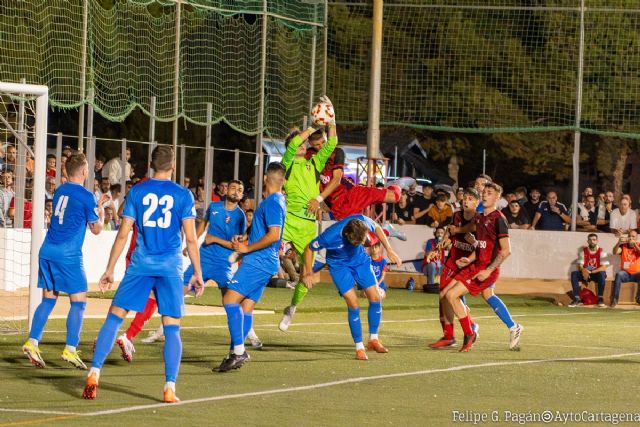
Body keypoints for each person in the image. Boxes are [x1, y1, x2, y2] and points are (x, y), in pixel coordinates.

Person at [83, 146, 205, 403]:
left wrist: (109, 268)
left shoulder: (137, 191)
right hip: (170, 267)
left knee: (114, 318)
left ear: (150, 165)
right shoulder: (183, 195)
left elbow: (123, 233)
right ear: (173, 166)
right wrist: (197, 272)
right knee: (172, 328)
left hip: (141, 265)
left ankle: (94, 372)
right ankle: (169, 386)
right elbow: (191, 240)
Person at [21, 153, 108, 369]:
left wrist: (96, 204)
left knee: (49, 300)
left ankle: (32, 342)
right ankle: (70, 349)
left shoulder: (60, 191)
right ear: (84, 171)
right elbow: (96, 229)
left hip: (47, 250)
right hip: (68, 255)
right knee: (79, 302)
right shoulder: (86, 195)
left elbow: (76, 211)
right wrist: (102, 211)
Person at [214, 162, 286, 372]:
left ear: (265, 179)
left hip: (258, 261)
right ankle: (234, 352)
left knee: (229, 299)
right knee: (246, 307)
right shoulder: (276, 201)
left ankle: (238, 352)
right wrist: (246, 237)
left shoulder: (272, 202)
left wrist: (246, 248)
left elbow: (274, 234)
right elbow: (265, 230)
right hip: (265, 262)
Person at [302, 215, 401, 360]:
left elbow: (378, 227)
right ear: (347, 234)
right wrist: (308, 272)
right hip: (339, 266)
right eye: (355, 242)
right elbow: (309, 248)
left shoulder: (361, 220)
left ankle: (373, 339)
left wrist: (389, 249)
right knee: (353, 304)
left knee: (375, 297)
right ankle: (359, 347)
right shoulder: (329, 236)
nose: (357, 244)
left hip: (360, 261)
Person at [278, 97, 338, 332]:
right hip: (288, 221)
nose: (302, 145)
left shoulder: (313, 164)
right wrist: (315, 123)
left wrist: (331, 120)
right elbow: (294, 145)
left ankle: (292, 308)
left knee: (308, 276)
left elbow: (332, 143)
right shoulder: (288, 163)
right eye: (298, 142)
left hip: (307, 226)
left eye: (304, 142)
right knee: (264, 256)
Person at [440, 183, 523, 352]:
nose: (485, 195)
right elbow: (481, 246)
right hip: (476, 266)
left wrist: (489, 270)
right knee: (457, 295)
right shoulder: (480, 217)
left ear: (497, 198)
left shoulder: (499, 219)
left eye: (489, 193)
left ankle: (470, 332)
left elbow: (506, 251)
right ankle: (512, 327)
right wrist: (469, 258)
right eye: (484, 192)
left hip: (486, 269)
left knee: (451, 295)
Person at [428, 188, 479, 349]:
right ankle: (449, 336)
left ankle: (470, 329)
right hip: (453, 262)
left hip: (468, 265)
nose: (465, 201)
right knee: (443, 296)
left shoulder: (480, 220)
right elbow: (450, 234)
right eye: (464, 198)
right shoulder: (457, 215)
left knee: (450, 296)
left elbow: (478, 240)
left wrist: (462, 235)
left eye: (470, 198)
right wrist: (440, 246)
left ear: (477, 203)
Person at [568, 233, 609, 308]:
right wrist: (584, 270)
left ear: (597, 241)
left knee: (602, 274)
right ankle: (576, 298)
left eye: (594, 240)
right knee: (574, 274)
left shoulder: (602, 252)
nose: (592, 241)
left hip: (596, 274)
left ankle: (600, 298)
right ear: (588, 241)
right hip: (586, 273)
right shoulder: (583, 252)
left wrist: (592, 271)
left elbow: (604, 267)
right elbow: (579, 265)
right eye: (590, 240)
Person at [610, 230, 640, 307]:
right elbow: (614, 252)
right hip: (626, 273)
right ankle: (614, 299)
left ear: (636, 238)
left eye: (633, 236)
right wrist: (619, 243)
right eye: (630, 236)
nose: (631, 238)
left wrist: (635, 245)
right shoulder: (623, 246)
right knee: (619, 274)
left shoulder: (639, 245)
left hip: (637, 273)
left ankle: (639, 298)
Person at [422, 226, 447, 292]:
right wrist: (436, 248)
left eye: (442, 233)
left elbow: (450, 247)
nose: (440, 234)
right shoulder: (430, 241)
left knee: (448, 266)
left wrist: (443, 243)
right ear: (435, 234)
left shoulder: (444, 243)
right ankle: (431, 287)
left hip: (439, 267)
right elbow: (427, 254)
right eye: (438, 232)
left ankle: (444, 288)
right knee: (432, 264)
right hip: (428, 267)